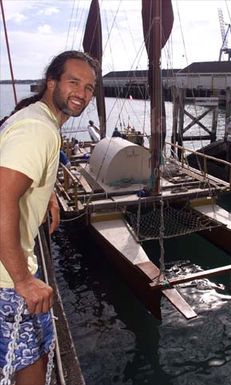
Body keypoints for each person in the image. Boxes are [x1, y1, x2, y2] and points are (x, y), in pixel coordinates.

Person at [0, 50, 98, 385]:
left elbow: (15, 171)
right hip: (7, 279)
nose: (82, 94)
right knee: (32, 365)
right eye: (74, 82)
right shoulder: (38, 129)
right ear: (52, 82)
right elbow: (1, 197)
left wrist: (47, 190)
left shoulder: (33, 118)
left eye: (89, 88)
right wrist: (23, 279)